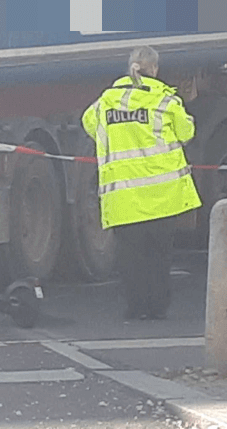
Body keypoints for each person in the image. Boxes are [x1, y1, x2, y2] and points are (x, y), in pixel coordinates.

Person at [81, 45, 202, 321]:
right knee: (159, 256)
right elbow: (187, 133)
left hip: (124, 196)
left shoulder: (105, 102)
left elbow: (89, 125)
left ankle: (136, 308)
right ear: (155, 69)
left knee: (131, 257)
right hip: (162, 195)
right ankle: (157, 308)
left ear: (129, 68)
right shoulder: (165, 102)